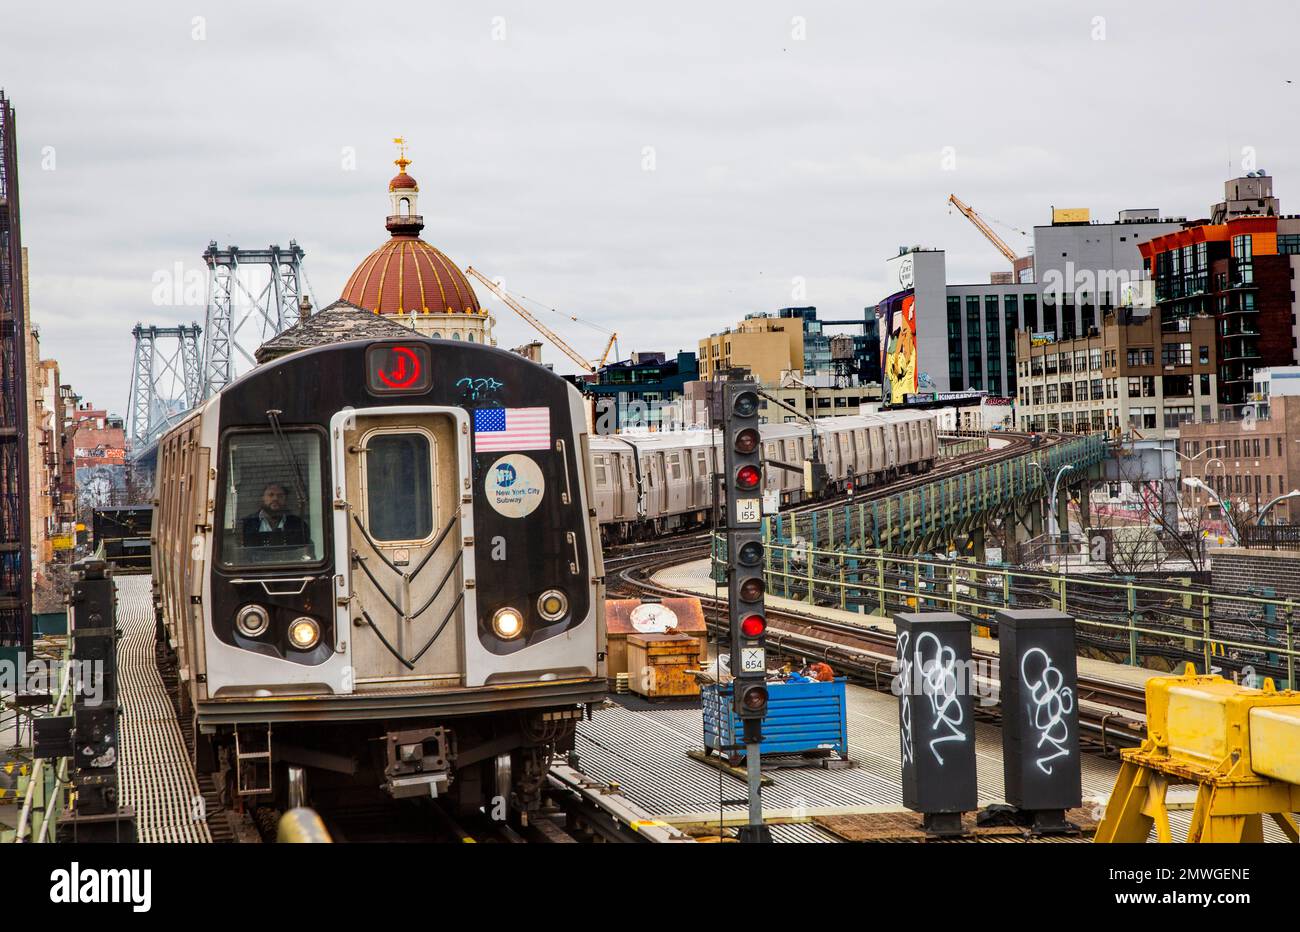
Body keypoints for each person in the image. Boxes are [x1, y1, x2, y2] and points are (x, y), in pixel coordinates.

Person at [241, 482, 311, 548]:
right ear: (263, 498)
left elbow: (306, 552)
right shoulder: (247, 524)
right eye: (271, 495)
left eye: (280, 495)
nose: (275, 498)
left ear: (285, 499)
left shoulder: (299, 524)